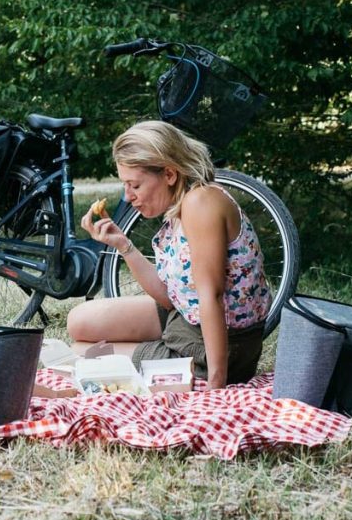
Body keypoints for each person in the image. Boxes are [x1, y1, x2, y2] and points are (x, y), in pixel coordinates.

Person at [67, 121, 272, 389]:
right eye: (125, 185)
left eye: (135, 185)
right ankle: (155, 352)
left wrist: (216, 385)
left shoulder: (201, 203)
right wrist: (123, 245)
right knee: (79, 322)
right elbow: (169, 298)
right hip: (187, 319)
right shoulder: (184, 205)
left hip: (214, 348)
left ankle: (166, 359)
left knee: (79, 353)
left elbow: (212, 295)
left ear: (170, 174)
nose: (128, 197)